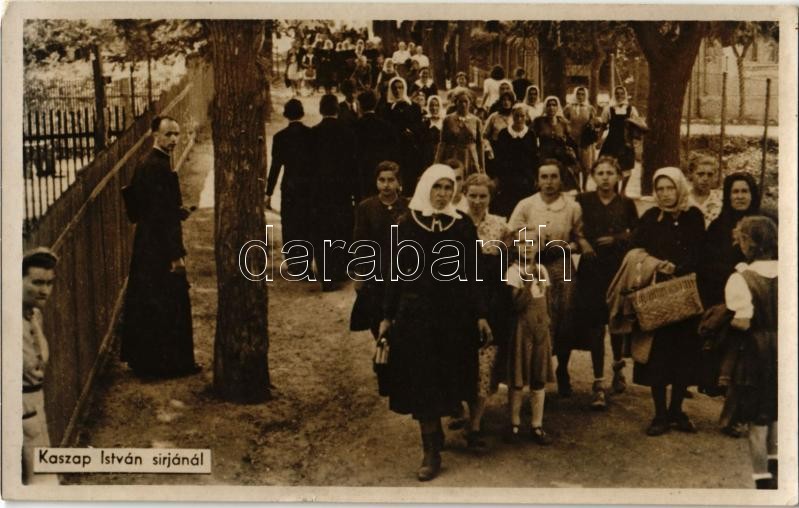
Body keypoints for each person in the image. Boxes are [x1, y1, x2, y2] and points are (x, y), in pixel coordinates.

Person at [378, 164, 492, 482]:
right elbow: (394, 274)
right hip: (416, 316)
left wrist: (481, 314)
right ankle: (430, 450)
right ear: (426, 187)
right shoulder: (406, 225)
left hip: (454, 317)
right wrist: (387, 315)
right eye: (437, 187)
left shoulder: (462, 225)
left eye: (448, 187)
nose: (442, 193)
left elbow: (474, 273)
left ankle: (440, 431)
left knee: (447, 377)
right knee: (421, 380)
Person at [121, 116, 200, 378]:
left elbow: (143, 207)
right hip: (159, 246)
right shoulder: (157, 167)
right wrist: (175, 255)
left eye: (176, 134)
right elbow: (161, 215)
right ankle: (166, 364)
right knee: (168, 301)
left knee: (149, 299)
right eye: (168, 134)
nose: (174, 139)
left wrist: (177, 211)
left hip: (147, 242)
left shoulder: (148, 162)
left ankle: (146, 361)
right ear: (155, 134)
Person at [630, 167, 706, 436]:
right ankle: (660, 414)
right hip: (658, 296)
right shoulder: (651, 217)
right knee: (658, 357)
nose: (664, 194)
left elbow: (701, 251)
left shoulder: (693, 216)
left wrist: (680, 267)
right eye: (659, 189)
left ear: (679, 188)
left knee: (684, 355)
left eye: (669, 188)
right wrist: (655, 264)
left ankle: (677, 411)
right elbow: (635, 249)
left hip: (685, 293)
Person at [508, 159, 594, 397]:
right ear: (537, 180)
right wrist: (532, 245)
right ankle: (535, 376)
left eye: (554, 177)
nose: (549, 182)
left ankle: (562, 369)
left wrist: (566, 247)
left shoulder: (572, 207)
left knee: (565, 315)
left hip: (561, 264)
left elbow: (580, 237)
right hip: (533, 264)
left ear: (561, 179)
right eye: (544, 177)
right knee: (536, 316)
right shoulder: (526, 205)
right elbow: (512, 234)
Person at [575, 156, 640, 409]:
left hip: (616, 269)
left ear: (619, 177)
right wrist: (583, 242)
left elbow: (637, 233)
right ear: (593, 176)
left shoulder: (626, 203)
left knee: (615, 322)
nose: (605, 178)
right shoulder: (583, 200)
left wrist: (617, 239)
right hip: (591, 269)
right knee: (595, 326)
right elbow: (574, 228)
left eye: (610, 173)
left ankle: (618, 369)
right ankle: (598, 382)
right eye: (600, 173)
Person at [699, 172, 760, 437]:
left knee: (751, 358)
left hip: (757, 297)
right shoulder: (718, 226)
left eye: (745, 191)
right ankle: (730, 413)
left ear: (753, 195)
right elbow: (706, 263)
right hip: (725, 296)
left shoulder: (764, 223)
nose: (740, 196)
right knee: (730, 357)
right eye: (735, 192)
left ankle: (737, 415)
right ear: (728, 195)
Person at [723, 216, 778, 489]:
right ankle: (778, 469)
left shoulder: (742, 278)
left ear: (748, 243)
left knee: (757, 421)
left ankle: (763, 482)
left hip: (758, 352)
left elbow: (743, 322)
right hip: (785, 348)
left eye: (741, 239)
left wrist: (725, 319)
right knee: (777, 412)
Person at [462, 174, 513, 451]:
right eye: (473, 195)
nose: (477, 201)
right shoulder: (455, 223)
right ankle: (459, 409)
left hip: (492, 302)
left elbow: (507, 268)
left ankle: (475, 424)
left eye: (483, 196)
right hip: (460, 303)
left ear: (490, 198)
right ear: (464, 195)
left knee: (485, 362)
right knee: (460, 360)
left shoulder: (500, 226)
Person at [350, 162, 409, 338]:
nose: (386, 185)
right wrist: (360, 274)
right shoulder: (366, 207)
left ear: (399, 182)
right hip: (376, 272)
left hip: (401, 270)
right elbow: (360, 242)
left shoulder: (407, 206)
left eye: (391, 180)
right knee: (376, 317)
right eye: (382, 180)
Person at [505, 243, 555, 445]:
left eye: (531, 244)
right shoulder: (513, 272)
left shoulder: (542, 269)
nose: (527, 248)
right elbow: (516, 305)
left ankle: (537, 424)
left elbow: (548, 300)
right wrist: (527, 282)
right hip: (522, 329)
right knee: (518, 377)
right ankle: (514, 424)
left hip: (540, 329)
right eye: (522, 244)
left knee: (539, 376)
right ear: (515, 248)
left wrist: (548, 322)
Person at [309, 94, 358, 291]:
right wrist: (355, 191)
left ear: (321, 110)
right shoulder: (348, 133)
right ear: (337, 109)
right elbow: (353, 165)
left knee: (321, 232)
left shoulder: (312, 134)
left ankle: (326, 275)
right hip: (341, 191)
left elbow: (307, 167)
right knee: (340, 229)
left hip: (319, 192)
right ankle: (338, 270)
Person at [22, 247, 60, 485]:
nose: (44, 291)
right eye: (37, 283)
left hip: (36, 409)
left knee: (43, 482)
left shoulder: (35, 315)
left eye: (49, 283)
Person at [266, 99, 313, 260]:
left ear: (286, 115)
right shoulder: (312, 135)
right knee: (306, 222)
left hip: (289, 185)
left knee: (289, 222)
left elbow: (275, 167)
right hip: (308, 186)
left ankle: (293, 260)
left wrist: (269, 192)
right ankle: (306, 259)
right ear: (302, 113)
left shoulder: (280, 137)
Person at [491, 103, 538, 218]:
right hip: (508, 177)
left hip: (525, 178)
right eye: (517, 116)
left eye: (522, 116)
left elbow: (534, 157)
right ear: (512, 116)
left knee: (525, 208)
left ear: (526, 117)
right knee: (508, 208)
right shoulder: (504, 134)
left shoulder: (530, 134)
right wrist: (497, 176)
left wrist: (535, 176)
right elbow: (498, 157)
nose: (519, 119)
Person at [380, 77, 425, 193]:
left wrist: (411, 131)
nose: (397, 91)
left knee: (410, 177)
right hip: (393, 148)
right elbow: (385, 128)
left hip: (410, 148)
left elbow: (419, 126)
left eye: (400, 88)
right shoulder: (385, 108)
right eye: (394, 88)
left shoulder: (414, 107)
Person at [353, 91, 400, 201]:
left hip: (362, 175)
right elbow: (395, 153)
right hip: (383, 173)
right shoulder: (387, 126)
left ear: (360, 106)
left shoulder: (354, 127)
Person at [532, 96, 579, 192]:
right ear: (545, 107)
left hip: (560, 156)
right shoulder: (539, 121)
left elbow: (570, 141)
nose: (551, 107)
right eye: (549, 105)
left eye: (554, 105)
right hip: (544, 155)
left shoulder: (563, 122)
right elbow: (531, 138)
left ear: (558, 107)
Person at [598, 86, 641, 191]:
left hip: (626, 141)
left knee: (626, 167)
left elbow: (637, 126)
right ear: (614, 95)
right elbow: (603, 126)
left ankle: (623, 191)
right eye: (617, 93)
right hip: (612, 141)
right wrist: (599, 140)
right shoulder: (609, 109)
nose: (619, 96)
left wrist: (635, 140)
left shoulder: (631, 109)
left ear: (625, 95)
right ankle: (615, 190)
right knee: (612, 166)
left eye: (622, 93)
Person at [436, 90, 484, 176]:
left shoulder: (476, 121)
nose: (463, 104)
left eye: (466, 102)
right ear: (456, 103)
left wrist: (482, 167)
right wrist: (437, 162)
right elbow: (442, 143)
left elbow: (480, 145)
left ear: (470, 103)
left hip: (470, 158)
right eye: (460, 102)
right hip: (453, 156)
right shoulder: (448, 120)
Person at [563, 86, 598, 190]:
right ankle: (577, 186)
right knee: (575, 164)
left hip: (585, 140)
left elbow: (594, 123)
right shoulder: (569, 108)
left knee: (586, 166)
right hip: (572, 139)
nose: (580, 96)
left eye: (583, 94)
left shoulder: (590, 108)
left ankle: (584, 186)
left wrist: (592, 125)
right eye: (578, 94)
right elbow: (563, 121)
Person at [687, 155, 723, 229]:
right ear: (691, 174)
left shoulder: (721, 199)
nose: (705, 178)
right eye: (700, 174)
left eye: (710, 175)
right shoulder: (682, 199)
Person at [482, 91, 515, 172]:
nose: (506, 102)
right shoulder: (494, 117)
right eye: (504, 100)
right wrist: (488, 148)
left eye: (509, 100)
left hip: (512, 149)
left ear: (512, 102)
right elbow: (484, 136)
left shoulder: (515, 116)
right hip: (496, 150)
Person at [420, 95, 444, 169]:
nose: (434, 108)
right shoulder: (424, 121)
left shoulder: (444, 121)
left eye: (436, 105)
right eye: (431, 105)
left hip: (441, 154)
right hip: (427, 155)